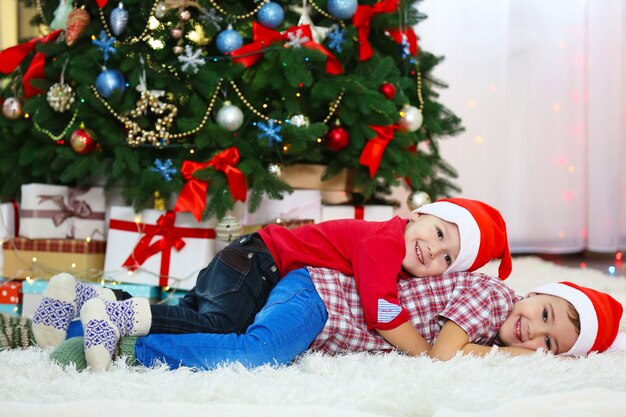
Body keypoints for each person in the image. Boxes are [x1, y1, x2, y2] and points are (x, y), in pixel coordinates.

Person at [30, 198, 513, 370]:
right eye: (439, 234)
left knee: (187, 308)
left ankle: (82, 299)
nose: (435, 252)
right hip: (261, 264)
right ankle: (116, 319)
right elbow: (381, 311)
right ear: (421, 215)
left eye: (448, 258)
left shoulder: (391, 244)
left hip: (251, 260)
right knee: (220, 325)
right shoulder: (383, 242)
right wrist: (425, 353)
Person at [43, 266, 624, 371]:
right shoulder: (493, 297)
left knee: (214, 323)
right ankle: (126, 349)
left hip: (321, 314)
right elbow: (443, 355)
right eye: (544, 313)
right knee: (254, 354)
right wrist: (505, 357)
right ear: (533, 294)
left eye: (548, 344)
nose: (532, 330)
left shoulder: (495, 314)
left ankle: (75, 309)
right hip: (322, 297)